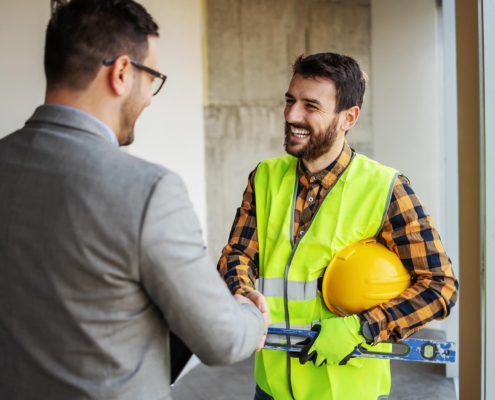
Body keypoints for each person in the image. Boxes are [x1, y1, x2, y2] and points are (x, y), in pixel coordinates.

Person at [0, 1, 269, 399]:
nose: (150, 94)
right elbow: (222, 339)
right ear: (122, 72)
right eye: (153, 77)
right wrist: (251, 314)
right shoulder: (150, 191)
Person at [217, 52, 459, 400]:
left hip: (346, 390)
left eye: (310, 106)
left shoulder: (386, 187)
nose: (291, 115)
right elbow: (238, 252)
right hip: (270, 386)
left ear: (349, 117)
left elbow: (441, 287)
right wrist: (242, 293)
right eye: (290, 100)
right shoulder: (265, 177)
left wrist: (361, 328)